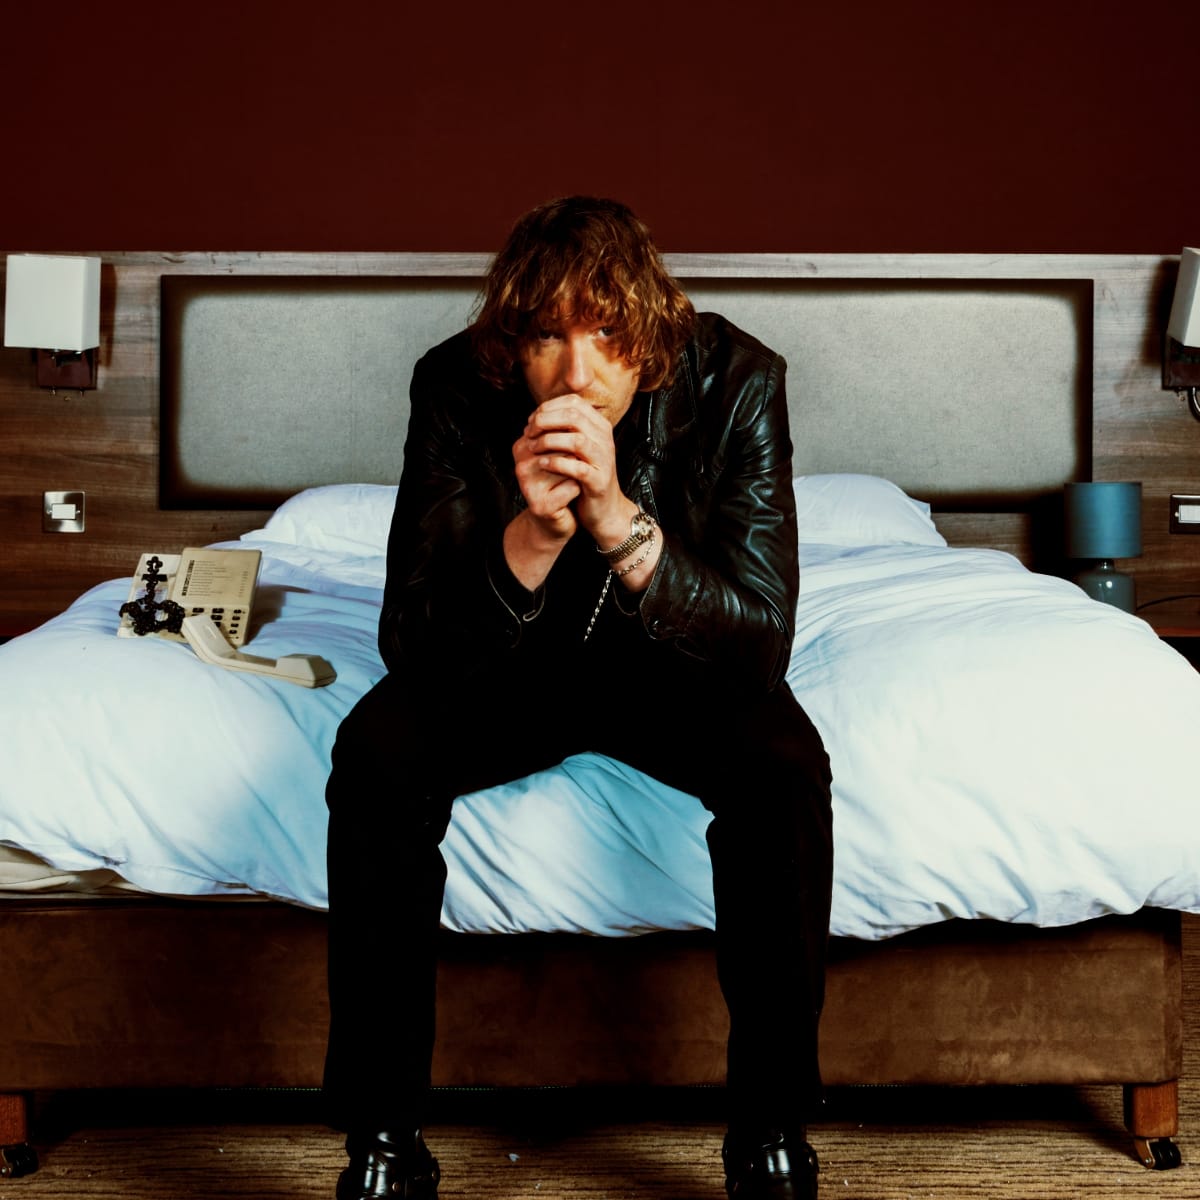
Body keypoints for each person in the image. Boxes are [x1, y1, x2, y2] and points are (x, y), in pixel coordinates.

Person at [323, 196, 834, 1200]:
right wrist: (533, 538)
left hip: (674, 663)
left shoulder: (737, 381)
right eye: (548, 338)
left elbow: (760, 637)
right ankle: (382, 1142)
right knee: (373, 752)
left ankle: (770, 1132)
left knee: (785, 766)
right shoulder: (454, 386)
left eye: (606, 334)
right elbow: (411, 639)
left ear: (653, 328)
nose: (576, 374)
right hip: (510, 663)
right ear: (510, 344)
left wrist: (613, 516)